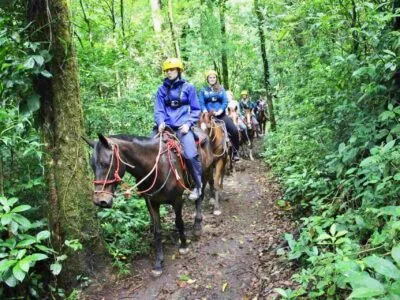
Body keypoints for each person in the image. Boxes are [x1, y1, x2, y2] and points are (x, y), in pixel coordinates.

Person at [154, 58, 202, 200]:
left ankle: (198, 186)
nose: (169, 72)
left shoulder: (189, 87)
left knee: (190, 154)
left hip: (183, 128)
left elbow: (195, 109)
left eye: (172, 69)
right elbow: (159, 109)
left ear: (179, 71)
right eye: (167, 70)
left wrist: (188, 124)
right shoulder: (161, 89)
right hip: (166, 127)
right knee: (150, 150)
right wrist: (160, 122)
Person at [199, 70, 240, 161]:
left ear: (216, 78)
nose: (212, 79)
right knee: (199, 131)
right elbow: (201, 103)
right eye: (210, 77)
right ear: (207, 79)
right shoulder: (203, 90)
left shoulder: (221, 89)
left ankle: (235, 152)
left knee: (234, 130)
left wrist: (219, 111)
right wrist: (205, 112)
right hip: (207, 117)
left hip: (220, 115)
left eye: (214, 77)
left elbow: (225, 101)